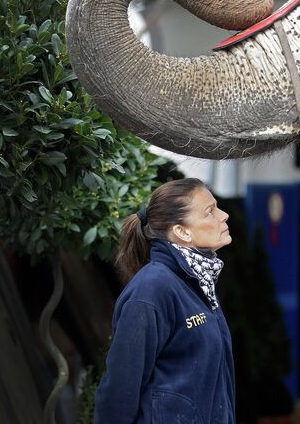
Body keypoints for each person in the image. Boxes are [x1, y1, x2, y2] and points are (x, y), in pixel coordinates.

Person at [94, 178, 234, 423]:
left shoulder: (199, 282)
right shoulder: (152, 289)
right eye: (210, 212)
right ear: (182, 232)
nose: (224, 215)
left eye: (217, 207)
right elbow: (119, 390)